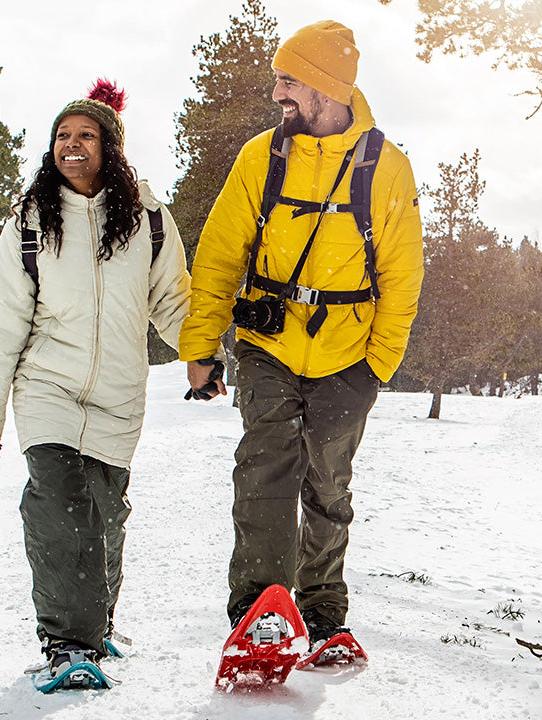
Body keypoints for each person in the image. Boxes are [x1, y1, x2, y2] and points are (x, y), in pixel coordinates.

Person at [179, 21, 424, 653]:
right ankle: (261, 612)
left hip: (349, 356)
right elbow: (218, 256)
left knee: (328, 484)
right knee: (264, 470)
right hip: (268, 346)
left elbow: (402, 276)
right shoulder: (261, 157)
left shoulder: (385, 167)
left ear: (325, 84)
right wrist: (199, 347)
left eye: (288, 80)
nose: (277, 93)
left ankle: (322, 614)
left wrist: (379, 366)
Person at [0, 80, 191, 682]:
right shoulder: (30, 221)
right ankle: (70, 645)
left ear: (110, 147)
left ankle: (97, 624)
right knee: (59, 506)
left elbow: (173, 303)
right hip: (47, 388)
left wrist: (205, 355)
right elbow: (1, 323)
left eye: (86, 136)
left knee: (105, 512)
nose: (71, 145)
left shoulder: (147, 218)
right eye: (62, 136)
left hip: (119, 394)